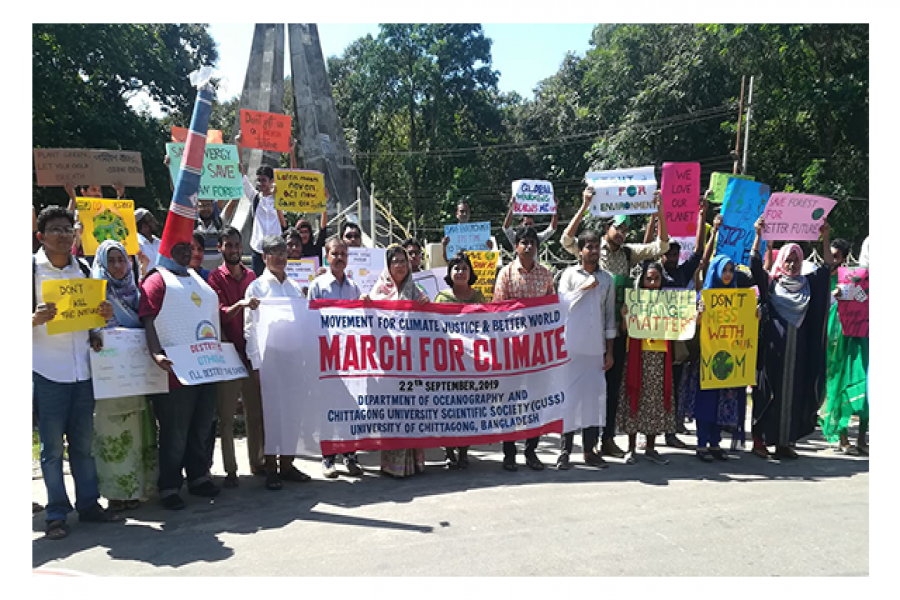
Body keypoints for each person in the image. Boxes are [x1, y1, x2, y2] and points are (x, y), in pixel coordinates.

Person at [561, 188, 670, 459]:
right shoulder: (590, 251)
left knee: (610, 388)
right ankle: (572, 445)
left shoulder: (629, 253)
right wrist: (584, 205)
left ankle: (607, 438)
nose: (621, 233)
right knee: (579, 390)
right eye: (617, 227)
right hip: (584, 334)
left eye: (625, 229)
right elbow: (566, 239)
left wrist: (659, 210)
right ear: (606, 228)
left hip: (617, 330)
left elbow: (662, 247)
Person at [33, 206, 120, 539]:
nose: (63, 235)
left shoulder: (83, 269)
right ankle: (56, 513)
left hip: (82, 371)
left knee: (83, 445)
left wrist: (99, 323)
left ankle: (89, 505)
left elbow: (91, 319)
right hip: (47, 372)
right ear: (41, 236)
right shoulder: (29, 272)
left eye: (68, 230)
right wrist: (33, 319)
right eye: (56, 229)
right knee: (52, 450)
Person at [140, 239, 221, 509]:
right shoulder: (156, 280)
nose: (187, 252)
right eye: (180, 248)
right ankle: (169, 486)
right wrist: (156, 352)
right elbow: (148, 317)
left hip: (206, 368)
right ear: (166, 249)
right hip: (175, 371)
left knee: (202, 426)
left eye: (190, 248)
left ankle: (198, 476)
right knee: (175, 432)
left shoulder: (198, 278)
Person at [750, 217, 833, 459]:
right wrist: (758, 235)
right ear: (781, 261)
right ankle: (760, 442)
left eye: (796, 259)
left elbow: (827, 269)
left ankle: (784, 443)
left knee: (793, 396)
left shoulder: (808, 285)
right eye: (788, 259)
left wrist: (825, 238)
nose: (792, 263)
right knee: (768, 395)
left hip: (799, 354)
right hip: (772, 353)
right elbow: (754, 265)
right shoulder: (771, 284)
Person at [89, 240, 158, 510]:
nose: (118, 266)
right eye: (112, 260)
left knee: (137, 434)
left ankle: (137, 489)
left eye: (122, 260)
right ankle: (116, 493)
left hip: (136, 379)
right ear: (102, 264)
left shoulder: (136, 294)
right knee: (112, 435)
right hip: (108, 381)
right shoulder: (94, 293)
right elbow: (85, 329)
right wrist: (95, 334)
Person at [244, 235, 313, 489]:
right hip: (269, 358)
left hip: (293, 358)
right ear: (264, 257)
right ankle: (270, 466)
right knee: (271, 414)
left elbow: (304, 323)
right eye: (275, 253)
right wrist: (256, 363)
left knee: (292, 412)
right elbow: (250, 329)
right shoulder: (257, 288)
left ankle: (287, 463)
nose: (281, 257)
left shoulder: (295, 288)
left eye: (284, 253)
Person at [206, 227, 266, 487]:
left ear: (242, 247)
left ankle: (257, 462)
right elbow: (218, 314)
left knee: (255, 413)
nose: (233, 250)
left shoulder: (252, 276)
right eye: (228, 245)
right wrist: (241, 304)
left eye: (236, 245)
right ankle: (231, 470)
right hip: (228, 355)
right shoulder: (214, 278)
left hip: (251, 354)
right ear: (220, 248)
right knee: (227, 418)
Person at [493, 226, 556, 471]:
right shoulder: (506, 274)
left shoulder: (546, 274)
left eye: (532, 242)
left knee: (536, 400)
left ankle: (531, 451)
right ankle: (509, 453)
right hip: (512, 349)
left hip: (538, 351)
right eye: (524, 242)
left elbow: (552, 309)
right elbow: (498, 310)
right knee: (509, 401)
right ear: (516, 246)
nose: (528, 246)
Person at [555, 230, 616, 470]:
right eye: (589, 247)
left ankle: (590, 450)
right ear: (580, 250)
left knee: (593, 400)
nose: (594, 251)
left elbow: (609, 318)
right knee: (569, 400)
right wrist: (584, 288)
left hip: (595, 349)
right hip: (571, 348)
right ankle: (564, 451)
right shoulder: (569, 275)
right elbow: (562, 305)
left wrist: (609, 351)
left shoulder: (607, 279)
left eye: (596, 246)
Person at [368, 245, 429, 477]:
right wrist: (366, 305)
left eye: (403, 261)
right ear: (388, 265)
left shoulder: (415, 290)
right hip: (389, 363)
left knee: (413, 411)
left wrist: (426, 306)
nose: (400, 265)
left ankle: (415, 463)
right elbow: (370, 318)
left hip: (412, 362)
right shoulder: (378, 290)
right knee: (393, 412)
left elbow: (430, 317)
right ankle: (393, 466)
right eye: (395, 261)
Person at [307, 237, 365, 478]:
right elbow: (310, 320)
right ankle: (328, 458)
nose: (340, 258)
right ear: (327, 256)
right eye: (335, 253)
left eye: (343, 254)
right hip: (326, 356)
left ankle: (350, 456)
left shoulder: (354, 288)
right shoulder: (318, 286)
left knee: (351, 407)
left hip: (350, 357)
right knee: (328, 408)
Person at [692, 255, 756, 461]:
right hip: (707, 358)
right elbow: (692, 327)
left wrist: (754, 316)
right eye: (724, 270)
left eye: (730, 270)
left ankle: (715, 443)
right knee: (706, 402)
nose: (728, 275)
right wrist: (699, 316)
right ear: (715, 272)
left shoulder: (739, 298)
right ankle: (701, 443)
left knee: (724, 403)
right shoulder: (703, 297)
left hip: (729, 359)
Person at [617, 261, 677, 465]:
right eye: (648, 279)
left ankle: (651, 448)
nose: (652, 283)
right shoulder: (635, 301)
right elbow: (624, 330)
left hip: (659, 356)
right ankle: (631, 448)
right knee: (634, 396)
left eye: (656, 279)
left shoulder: (669, 302)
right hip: (637, 356)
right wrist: (624, 317)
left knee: (655, 401)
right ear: (642, 280)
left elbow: (680, 327)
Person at [434, 252, 487, 469]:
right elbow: (433, 328)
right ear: (450, 273)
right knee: (448, 407)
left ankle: (464, 451)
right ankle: (449, 452)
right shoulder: (441, 298)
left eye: (464, 268)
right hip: (447, 362)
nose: (460, 272)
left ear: (470, 272)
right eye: (456, 268)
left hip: (470, 362)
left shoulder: (479, 297)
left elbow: (486, 326)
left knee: (467, 407)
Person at [819, 237, 868, 454]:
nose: (832, 261)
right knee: (838, 383)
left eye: (836, 257)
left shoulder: (857, 277)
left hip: (860, 336)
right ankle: (842, 436)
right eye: (830, 257)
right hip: (836, 338)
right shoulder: (823, 278)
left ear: (845, 258)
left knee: (863, 381)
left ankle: (862, 439)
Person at [235, 133, 293, 276]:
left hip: (277, 249)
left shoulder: (280, 199)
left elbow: (293, 179)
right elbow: (241, 173)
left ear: (272, 181)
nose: (260, 184)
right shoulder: (255, 197)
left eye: (264, 180)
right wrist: (238, 146)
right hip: (258, 249)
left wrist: (292, 151)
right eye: (258, 180)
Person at [441, 198, 493, 263]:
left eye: (466, 211)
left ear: (469, 214)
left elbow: (487, 258)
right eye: (462, 211)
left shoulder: (479, 232)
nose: (464, 214)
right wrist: (444, 247)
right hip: (458, 266)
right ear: (457, 214)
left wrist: (489, 247)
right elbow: (447, 260)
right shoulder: (451, 234)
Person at [195, 198, 224, 271]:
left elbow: (224, 198)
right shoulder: (191, 225)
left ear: (213, 206)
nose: (205, 209)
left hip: (217, 273)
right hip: (197, 273)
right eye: (202, 206)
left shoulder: (220, 223)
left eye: (208, 205)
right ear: (196, 208)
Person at [134, 208, 161, 277]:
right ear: (144, 226)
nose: (156, 222)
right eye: (151, 220)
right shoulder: (136, 245)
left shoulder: (160, 243)